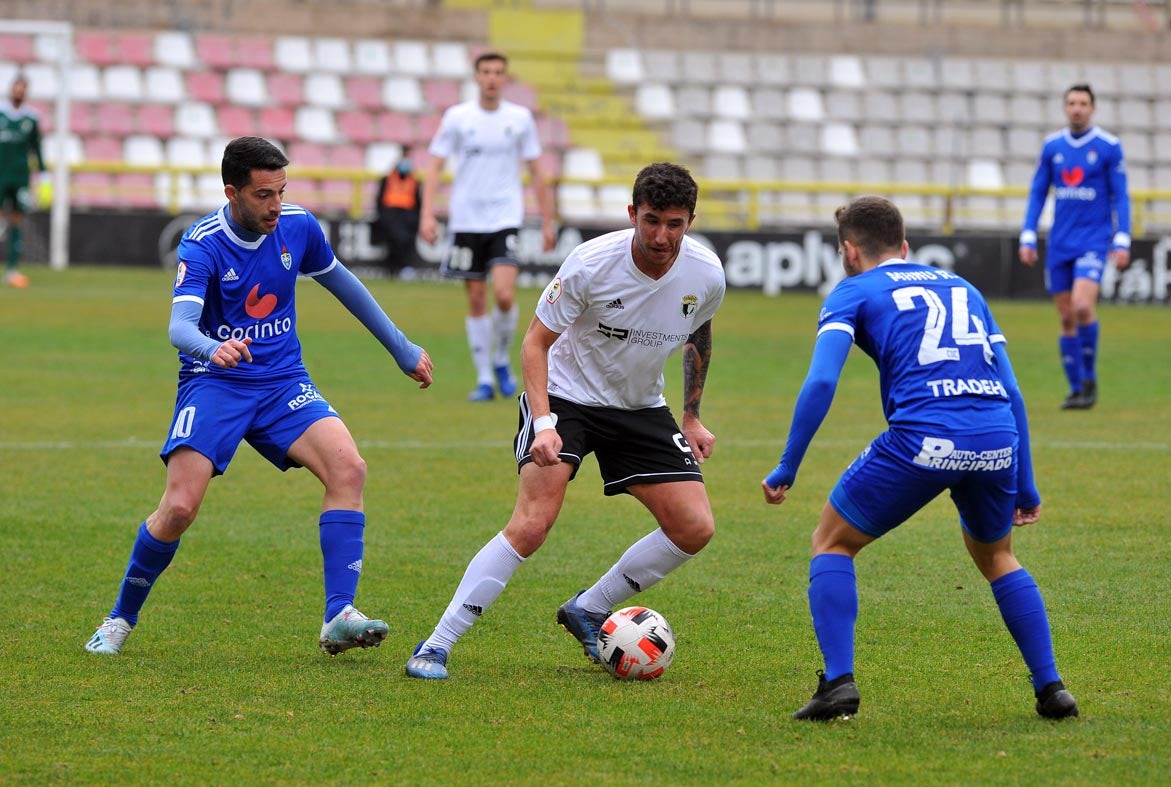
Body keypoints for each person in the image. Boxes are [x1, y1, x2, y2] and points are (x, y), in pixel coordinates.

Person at [84, 136, 434, 657]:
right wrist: (212, 348)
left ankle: (339, 613)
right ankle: (119, 619)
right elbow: (180, 328)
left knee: (349, 468)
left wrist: (402, 349)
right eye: (264, 195)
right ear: (232, 192)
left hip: (281, 381)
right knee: (179, 507)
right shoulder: (202, 243)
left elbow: (346, 286)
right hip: (215, 383)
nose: (276, 205)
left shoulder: (298, 226)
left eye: (281, 191)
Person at [405, 162, 726, 679]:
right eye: (650, 221)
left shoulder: (707, 274)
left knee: (694, 527)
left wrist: (691, 415)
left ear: (690, 219)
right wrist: (544, 421)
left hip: (640, 405)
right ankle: (436, 645)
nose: (662, 235)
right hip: (565, 396)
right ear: (631, 215)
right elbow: (535, 342)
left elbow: (699, 335)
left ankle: (590, 608)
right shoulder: (591, 264)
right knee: (532, 524)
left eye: (674, 223)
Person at [762, 196, 1077, 721]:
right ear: (905, 246)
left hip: (925, 437)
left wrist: (788, 465)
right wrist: (1026, 484)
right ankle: (1052, 688)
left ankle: (838, 683)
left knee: (832, 541)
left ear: (848, 250)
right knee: (998, 556)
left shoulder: (853, 290)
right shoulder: (964, 288)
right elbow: (1013, 391)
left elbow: (821, 379)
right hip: (997, 437)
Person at [418, 51, 557, 402]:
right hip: (466, 219)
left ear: (505, 79)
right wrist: (427, 214)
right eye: (486, 72)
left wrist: (546, 220)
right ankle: (483, 377)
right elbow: (434, 167)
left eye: (498, 72)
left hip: (505, 217)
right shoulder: (458, 117)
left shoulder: (520, 118)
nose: (492, 78)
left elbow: (538, 171)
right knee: (477, 299)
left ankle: (500, 359)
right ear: (477, 77)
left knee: (506, 295)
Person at [1019, 83, 1130, 410]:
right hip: (1060, 242)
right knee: (1066, 317)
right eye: (1071, 103)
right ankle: (1076, 389)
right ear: (1065, 108)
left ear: (1092, 108)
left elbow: (1120, 195)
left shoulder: (1108, 146)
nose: (1077, 108)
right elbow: (1038, 192)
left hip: (1094, 240)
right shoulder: (1052, 146)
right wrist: (1028, 233)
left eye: (1083, 103)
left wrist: (1122, 236)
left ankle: (1089, 379)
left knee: (1082, 307)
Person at [0, 75, 46, 289]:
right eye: (15, 89)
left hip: (20, 177)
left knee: (17, 221)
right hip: (1, 175)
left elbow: (36, 148)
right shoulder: (1, 113)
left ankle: (12, 270)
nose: (18, 93)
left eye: (22, 90)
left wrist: (43, 173)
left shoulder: (31, 118)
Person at [374, 148, 422, 274]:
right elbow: (380, 199)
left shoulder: (413, 180)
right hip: (391, 215)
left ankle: (404, 267)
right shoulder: (388, 178)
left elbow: (418, 201)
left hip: (407, 217)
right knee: (392, 242)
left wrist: (415, 218)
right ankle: (391, 268)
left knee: (405, 242)